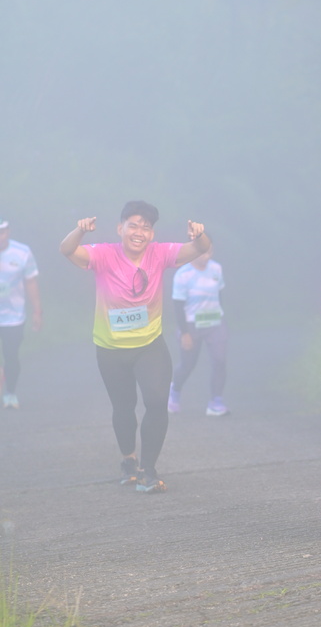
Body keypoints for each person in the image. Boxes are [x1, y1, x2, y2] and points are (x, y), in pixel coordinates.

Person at [59, 200, 211, 493]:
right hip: (110, 348)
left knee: (157, 401)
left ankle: (147, 471)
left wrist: (199, 235)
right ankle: (128, 459)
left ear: (152, 234)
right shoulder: (104, 254)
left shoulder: (160, 253)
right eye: (133, 225)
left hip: (149, 345)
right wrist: (80, 231)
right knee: (123, 407)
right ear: (121, 228)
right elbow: (67, 250)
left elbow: (200, 248)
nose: (139, 232)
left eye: (146, 227)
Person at [167, 245, 229, 417]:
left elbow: (219, 295)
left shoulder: (216, 268)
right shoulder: (183, 274)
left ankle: (216, 402)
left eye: (210, 252)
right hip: (191, 324)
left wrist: (220, 315)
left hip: (214, 322)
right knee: (188, 365)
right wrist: (185, 333)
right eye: (203, 252)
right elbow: (178, 306)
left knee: (219, 361)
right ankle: (174, 392)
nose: (206, 256)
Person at [0, 218, 43, 409]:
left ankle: (10, 393)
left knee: (10, 356)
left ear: (8, 232)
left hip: (13, 317)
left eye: (2, 232)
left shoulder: (22, 252)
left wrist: (37, 311)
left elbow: (31, 282)